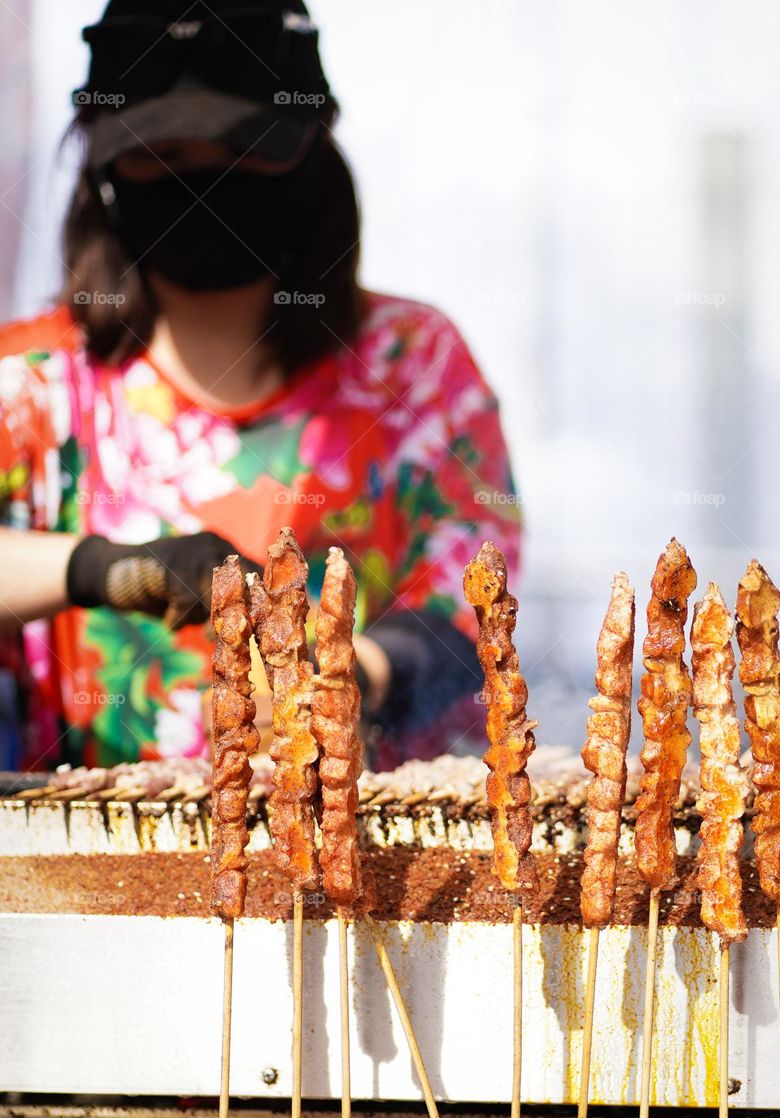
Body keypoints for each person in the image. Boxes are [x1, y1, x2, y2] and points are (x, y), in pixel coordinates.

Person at [0, 0, 522, 771]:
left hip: (391, 859)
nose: (201, 177)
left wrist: (351, 680)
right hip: (96, 861)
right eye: (159, 152)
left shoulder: (412, 364)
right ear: (104, 169)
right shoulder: (31, 385)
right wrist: (104, 569)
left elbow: (474, 595)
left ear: (313, 154)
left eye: (242, 149)